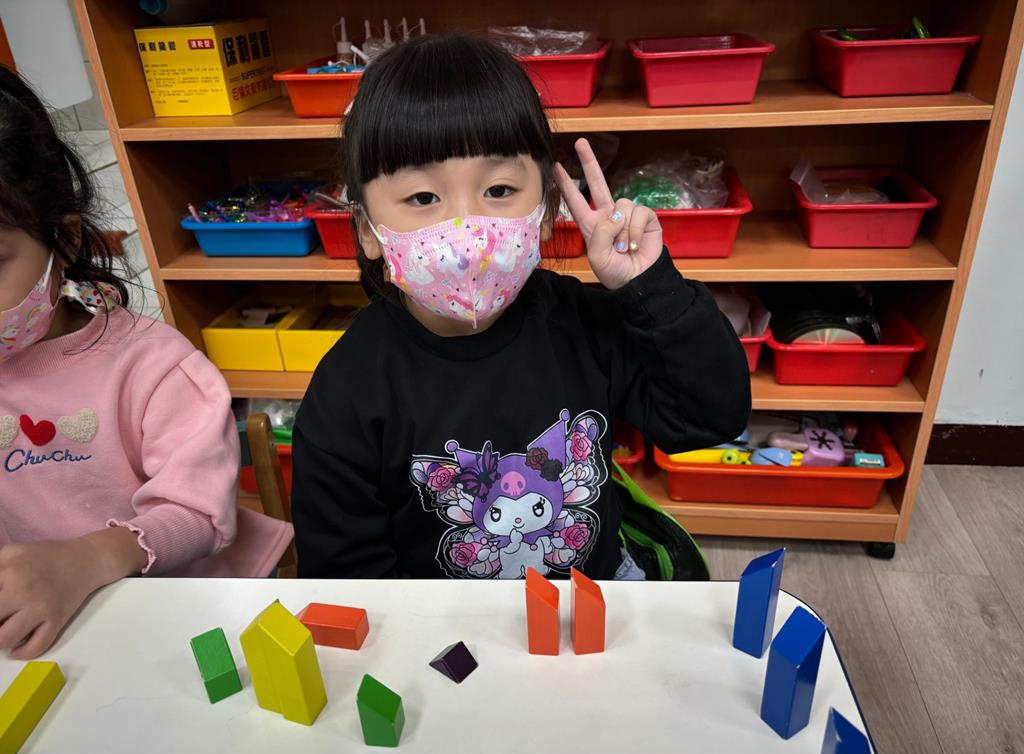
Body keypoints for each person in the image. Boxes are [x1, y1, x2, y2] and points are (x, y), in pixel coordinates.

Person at [291, 35, 750, 580]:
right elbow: (348, 577)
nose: (467, 232)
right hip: (441, 626)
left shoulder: (583, 323)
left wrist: (651, 289)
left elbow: (710, 417)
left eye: (499, 189)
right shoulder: (348, 389)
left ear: (547, 207)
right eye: (423, 198)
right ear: (368, 230)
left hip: (595, 596)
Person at [0, 66, 292, 659]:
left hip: (178, 619)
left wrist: (88, 559)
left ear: (65, 241)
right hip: (43, 639)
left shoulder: (152, 368)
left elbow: (196, 513)